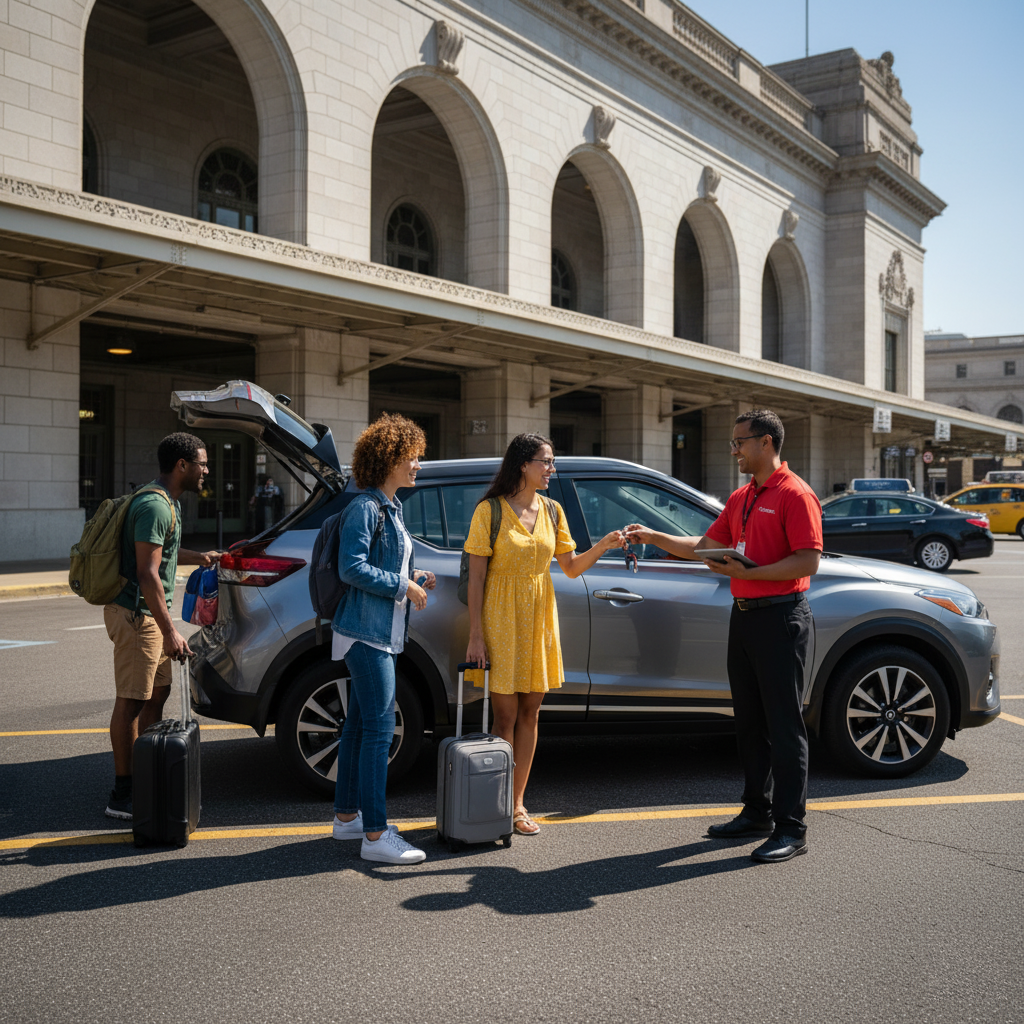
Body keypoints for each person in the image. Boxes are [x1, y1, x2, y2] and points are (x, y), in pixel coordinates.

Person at [625, 409, 822, 863]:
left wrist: (753, 572)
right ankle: (758, 812)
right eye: (733, 443)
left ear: (767, 443)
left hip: (782, 618)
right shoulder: (742, 497)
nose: (733, 449)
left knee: (784, 725)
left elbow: (808, 560)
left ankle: (792, 828)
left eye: (740, 442)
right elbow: (705, 547)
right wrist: (654, 535)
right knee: (750, 723)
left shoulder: (796, 494)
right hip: (746, 617)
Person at [464, 433, 625, 836]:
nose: (552, 469)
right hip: (500, 616)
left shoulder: (553, 511)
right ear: (524, 464)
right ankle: (496, 802)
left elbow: (570, 568)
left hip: (539, 617)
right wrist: (476, 636)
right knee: (504, 716)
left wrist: (604, 544)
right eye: (546, 462)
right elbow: (476, 578)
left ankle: (517, 804)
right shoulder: (490, 511)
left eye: (552, 463)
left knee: (532, 712)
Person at [330, 413, 436, 865]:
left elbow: (378, 564)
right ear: (389, 458)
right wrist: (402, 587)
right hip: (365, 634)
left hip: (380, 632)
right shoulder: (365, 507)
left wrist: (412, 577)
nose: (417, 465)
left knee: (357, 727)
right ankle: (375, 836)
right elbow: (350, 567)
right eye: (412, 457)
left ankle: (347, 818)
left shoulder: (389, 508)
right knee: (378, 731)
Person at [104, 432, 222, 820]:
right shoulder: (155, 506)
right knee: (133, 701)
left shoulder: (168, 502)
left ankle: (147, 772)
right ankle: (122, 793)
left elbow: (163, 553)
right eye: (202, 463)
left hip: (148, 616)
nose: (207, 469)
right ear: (182, 465)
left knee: (157, 695)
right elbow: (147, 572)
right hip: (137, 617)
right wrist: (170, 630)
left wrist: (199, 557)